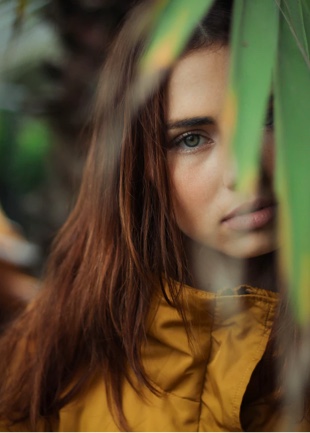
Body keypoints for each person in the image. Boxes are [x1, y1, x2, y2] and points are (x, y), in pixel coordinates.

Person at [0, 0, 308, 431]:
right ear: (139, 165)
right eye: (192, 139)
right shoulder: (57, 342)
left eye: (267, 116)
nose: (246, 173)